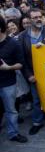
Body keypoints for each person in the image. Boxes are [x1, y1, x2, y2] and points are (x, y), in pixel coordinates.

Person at [17, 8, 45, 135]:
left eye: (40, 16)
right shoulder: (22, 37)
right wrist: (29, 75)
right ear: (29, 20)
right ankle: (37, 122)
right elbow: (22, 59)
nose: (38, 19)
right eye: (35, 17)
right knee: (36, 99)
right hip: (34, 75)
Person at [0, 15, 27, 143]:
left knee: (11, 110)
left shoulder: (13, 44)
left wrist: (8, 68)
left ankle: (13, 133)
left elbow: (21, 64)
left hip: (8, 84)